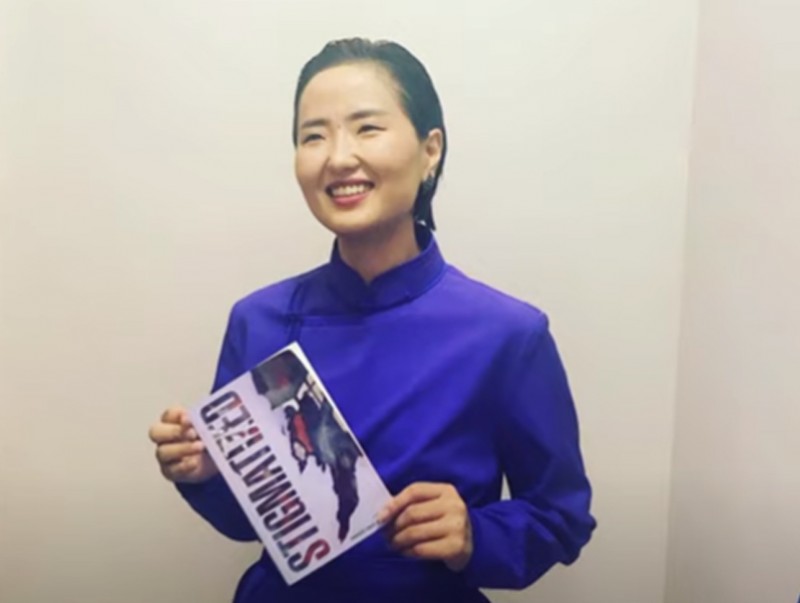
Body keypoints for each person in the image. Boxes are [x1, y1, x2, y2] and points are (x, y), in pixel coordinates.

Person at [148, 37, 596, 603]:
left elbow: (561, 516)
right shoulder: (257, 320)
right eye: (314, 136)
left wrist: (475, 535)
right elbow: (249, 523)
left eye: (367, 128)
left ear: (430, 150)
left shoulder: (508, 334)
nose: (338, 158)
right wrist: (205, 471)